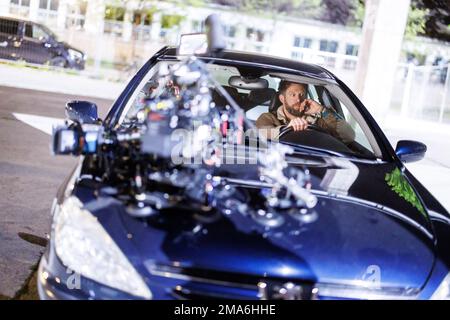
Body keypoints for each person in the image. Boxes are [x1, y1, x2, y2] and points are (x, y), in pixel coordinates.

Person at [256, 80, 355, 143]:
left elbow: (349, 135)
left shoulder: (319, 120)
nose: (298, 100)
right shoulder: (268, 118)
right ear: (282, 99)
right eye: (293, 95)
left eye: (301, 95)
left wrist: (321, 110)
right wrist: (287, 129)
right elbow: (260, 133)